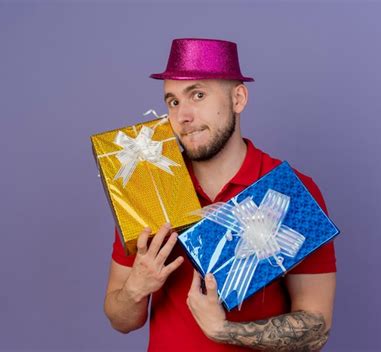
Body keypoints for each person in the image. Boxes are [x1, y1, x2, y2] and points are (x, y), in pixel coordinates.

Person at [103, 38, 337, 351]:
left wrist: (224, 330)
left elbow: (317, 326)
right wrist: (135, 289)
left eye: (197, 95)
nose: (182, 116)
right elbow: (121, 321)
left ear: (238, 98)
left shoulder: (288, 193)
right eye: (172, 102)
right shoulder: (148, 187)